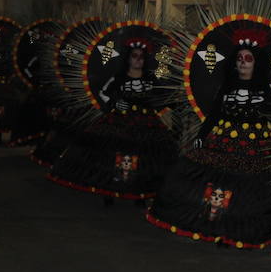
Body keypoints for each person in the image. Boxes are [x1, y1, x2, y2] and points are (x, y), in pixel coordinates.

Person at [146, 24, 271, 248]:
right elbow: (214, 115)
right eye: (239, 58)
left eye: (247, 58)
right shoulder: (227, 87)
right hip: (223, 139)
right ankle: (211, 222)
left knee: (246, 189)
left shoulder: (266, 90)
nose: (242, 62)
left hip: (255, 145)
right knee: (210, 178)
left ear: (256, 62)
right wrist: (202, 136)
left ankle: (234, 230)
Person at [48, 32, 176, 204]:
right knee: (110, 156)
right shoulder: (118, 78)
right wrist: (115, 103)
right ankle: (109, 191)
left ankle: (140, 193)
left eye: (141, 57)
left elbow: (160, 99)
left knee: (144, 158)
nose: (138, 60)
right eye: (135, 56)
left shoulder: (151, 79)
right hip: (119, 122)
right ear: (128, 59)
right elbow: (103, 93)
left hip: (146, 124)